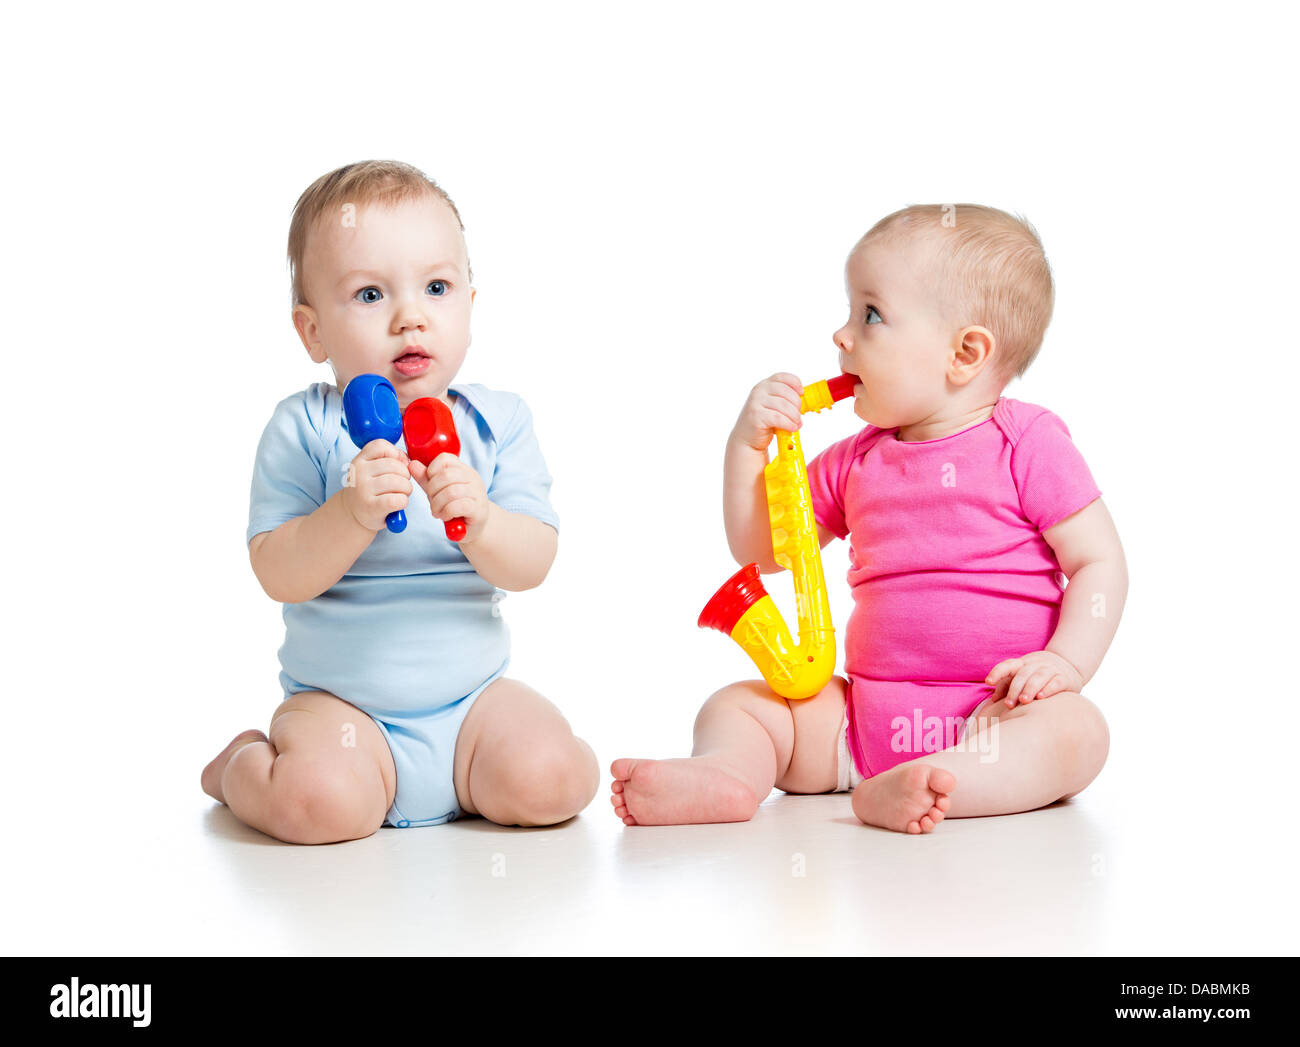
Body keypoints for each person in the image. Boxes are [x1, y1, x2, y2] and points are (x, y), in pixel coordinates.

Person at [611, 203, 1123, 834]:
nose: (842, 336)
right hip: (860, 725)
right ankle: (727, 774)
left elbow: (1099, 562)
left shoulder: (1029, 444)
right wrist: (746, 450)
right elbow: (764, 552)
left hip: (995, 717)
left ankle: (944, 785)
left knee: (1078, 731)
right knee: (740, 704)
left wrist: (1066, 666)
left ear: (964, 353)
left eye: (871, 314)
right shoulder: (854, 461)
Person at [202, 160, 598, 843]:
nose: (410, 316)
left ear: (472, 302)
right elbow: (276, 570)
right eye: (369, 294)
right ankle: (241, 764)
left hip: (472, 705)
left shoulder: (496, 422)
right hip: (343, 712)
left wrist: (484, 524)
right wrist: (349, 514)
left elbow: (533, 561)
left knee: (555, 778)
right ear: (313, 331)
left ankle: (481, 778)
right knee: (318, 804)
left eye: (437, 287)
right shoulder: (305, 428)